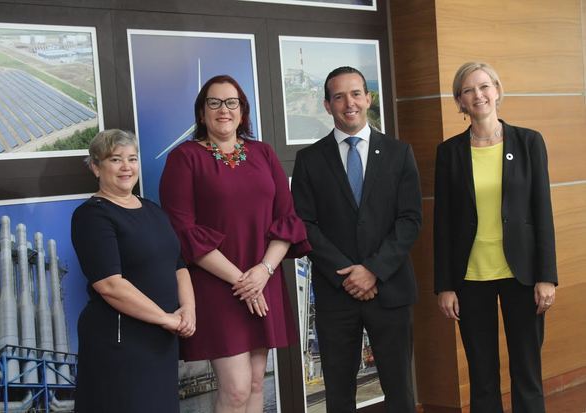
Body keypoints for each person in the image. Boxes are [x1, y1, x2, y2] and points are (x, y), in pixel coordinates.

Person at [159, 75, 311, 413]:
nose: (223, 110)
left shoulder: (263, 153)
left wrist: (263, 271)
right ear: (201, 113)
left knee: (257, 383)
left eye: (232, 103)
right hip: (217, 285)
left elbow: (287, 219)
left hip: (263, 281)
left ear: (243, 111)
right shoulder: (184, 158)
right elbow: (182, 231)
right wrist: (243, 281)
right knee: (237, 390)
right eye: (214, 102)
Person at [291, 66, 422, 413]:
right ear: (327, 104)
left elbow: (410, 220)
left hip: (390, 289)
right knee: (338, 393)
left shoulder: (399, 152)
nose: (348, 103)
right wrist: (349, 274)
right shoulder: (308, 160)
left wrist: (373, 270)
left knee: (400, 391)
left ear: (368, 98)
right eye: (338, 96)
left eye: (355, 94)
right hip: (337, 294)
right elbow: (304, 224)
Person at [434, 62, 558, 413]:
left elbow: (542, 212)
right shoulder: (449, 152)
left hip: (523, 275)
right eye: (469, 90)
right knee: (482, 376)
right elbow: (442, 224)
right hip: (471, 278)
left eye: (485, 86)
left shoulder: (529, 141)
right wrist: (445, 285)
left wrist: (547, 276)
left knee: (527, 372)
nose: (479, 95)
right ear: (459, 101)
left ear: (498, 91)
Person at [71, 129, 195, 413]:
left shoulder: (153, 210)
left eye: (132, 158)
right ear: (95, 166)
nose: (126, 167)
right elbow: (110, 285)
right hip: (121, 344)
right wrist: (166, 318)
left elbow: (179, 265)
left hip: (162, 341)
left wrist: (188, 309)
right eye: (115, 159)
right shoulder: (92, 215)